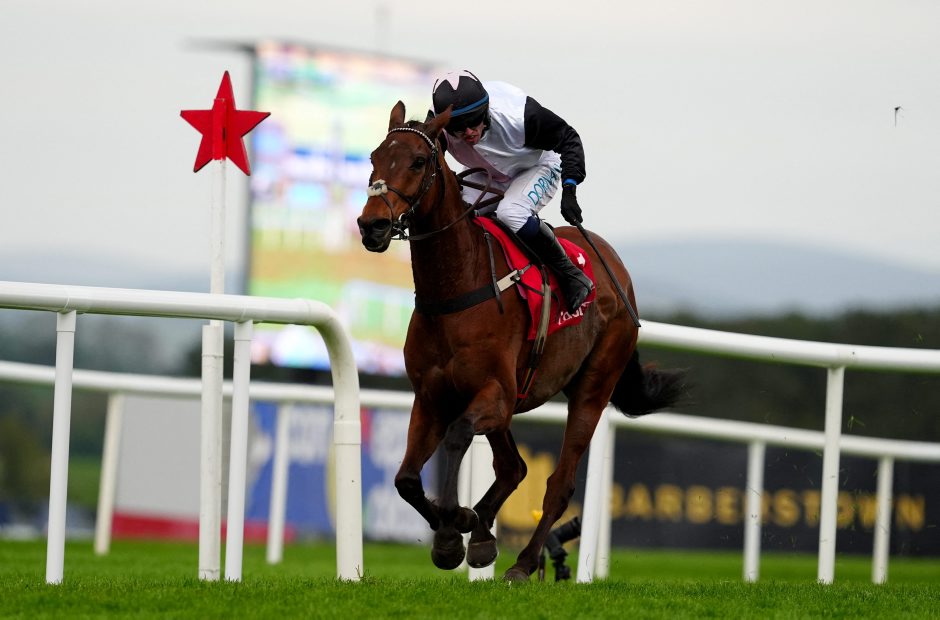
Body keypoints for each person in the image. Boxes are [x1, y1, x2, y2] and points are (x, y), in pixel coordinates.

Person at [430, 70, 593, 313]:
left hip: (537, 165)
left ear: (485, 111)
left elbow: (569, 138)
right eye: (458, 130)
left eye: (474, 122)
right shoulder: (438, 124)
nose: (469, 133)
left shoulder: (520, 116)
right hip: (488, 173)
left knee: (511, 213)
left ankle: (570, 273)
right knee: (455, 215)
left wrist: (570, 189)